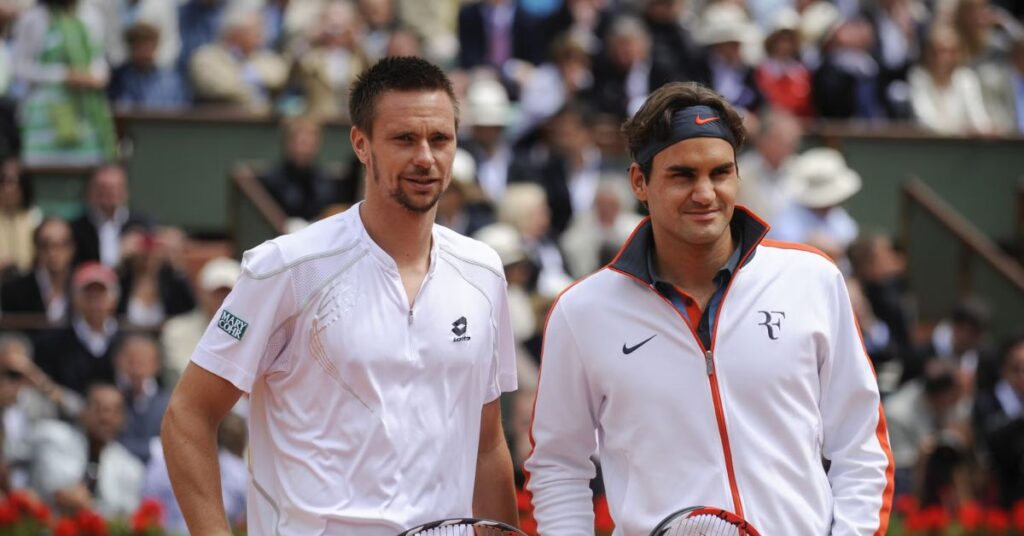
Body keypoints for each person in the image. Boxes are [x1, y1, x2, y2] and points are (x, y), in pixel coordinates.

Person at [161, 56, 518, 536]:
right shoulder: (286, 267)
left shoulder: (484, 272)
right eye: (404, 139)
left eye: (441, 139)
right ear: (361, 144)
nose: (426, 158)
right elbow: (187, 416)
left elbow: (486, 445)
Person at [524, 82, 894, 535]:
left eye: (720, 172)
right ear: (639, 182)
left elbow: (861, 444)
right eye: (682, 175)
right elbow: (558, 465)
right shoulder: (581, 311)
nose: (705, 193)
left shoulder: (812, 280)